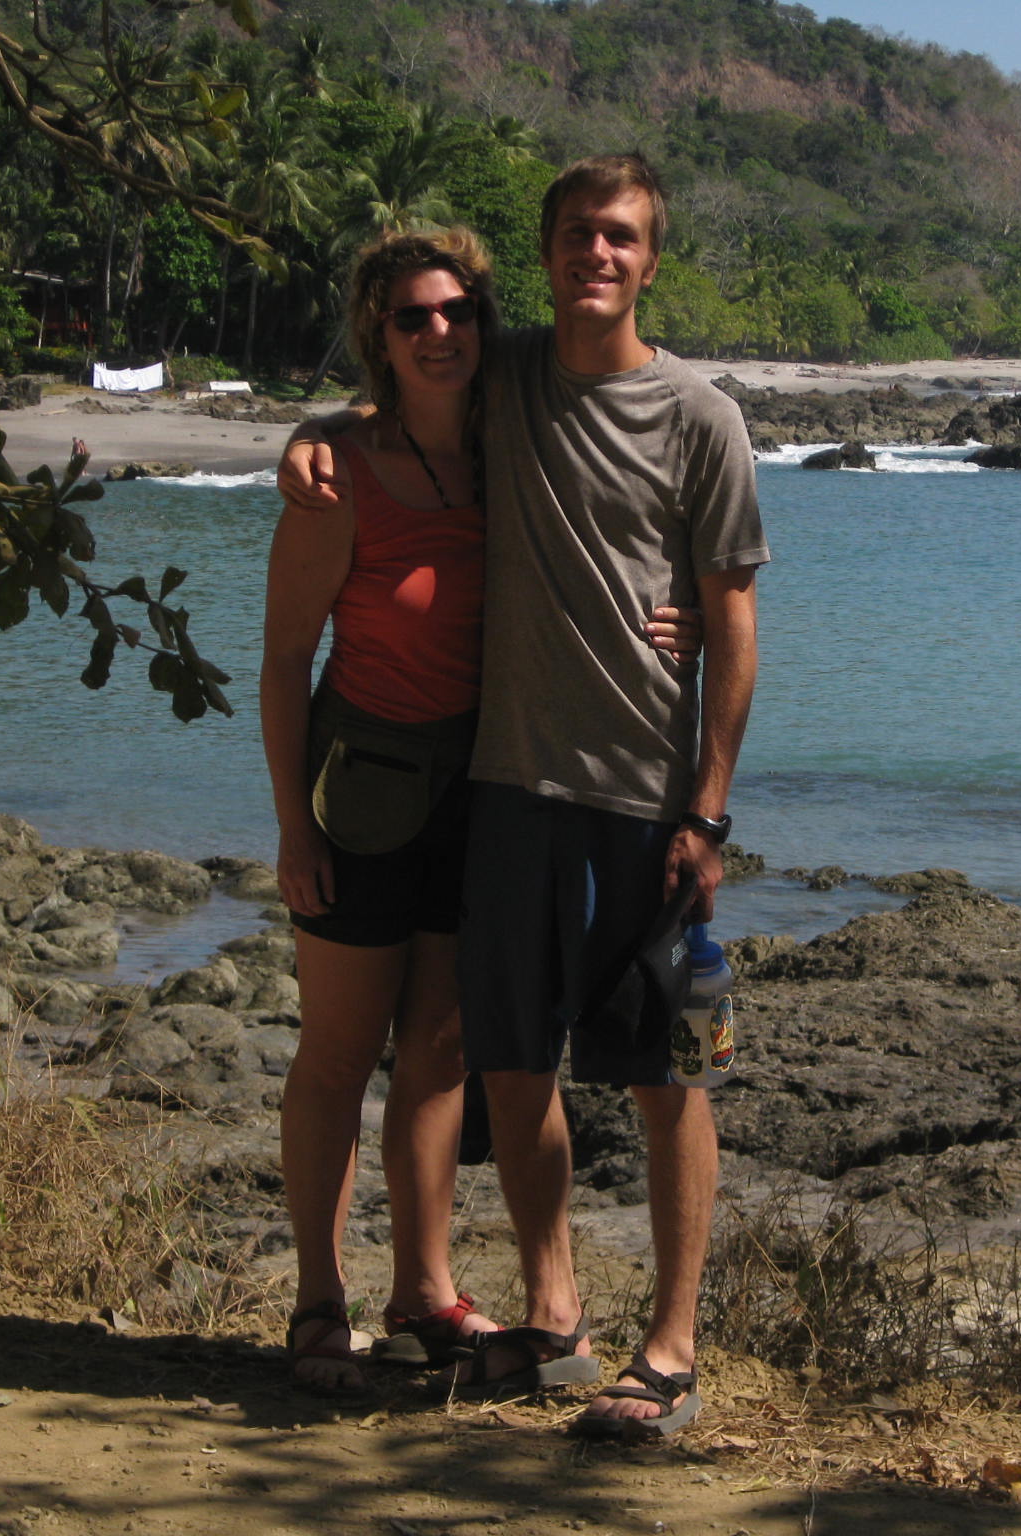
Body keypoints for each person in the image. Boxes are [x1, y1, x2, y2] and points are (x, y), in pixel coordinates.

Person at [281, 155, 766, 1438]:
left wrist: (708, 809)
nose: (593, 255)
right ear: (546, 255)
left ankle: (671, 1345)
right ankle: (552, 1316)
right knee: (508, 1062)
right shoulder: (501, 374)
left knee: (668, 1073)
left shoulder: (701, 417)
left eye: (616, 238)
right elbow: (386, 398)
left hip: (643, 799)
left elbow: (731, 615)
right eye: (572, 236)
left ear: (650, 260)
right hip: (505, 789)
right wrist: (305, 441)